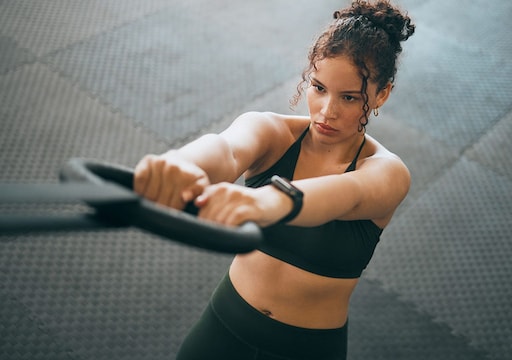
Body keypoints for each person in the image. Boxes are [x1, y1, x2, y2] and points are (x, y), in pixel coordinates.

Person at [134, 1, 415, 359]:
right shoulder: (271, 132)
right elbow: (226, 149)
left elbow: (344, 193)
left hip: (307, 349)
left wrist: (267, 201)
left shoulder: (388, 172)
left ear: (382, 94)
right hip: (223, 325)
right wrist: (179, 164)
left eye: (349, 98)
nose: (327, 111)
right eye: (318, 88)